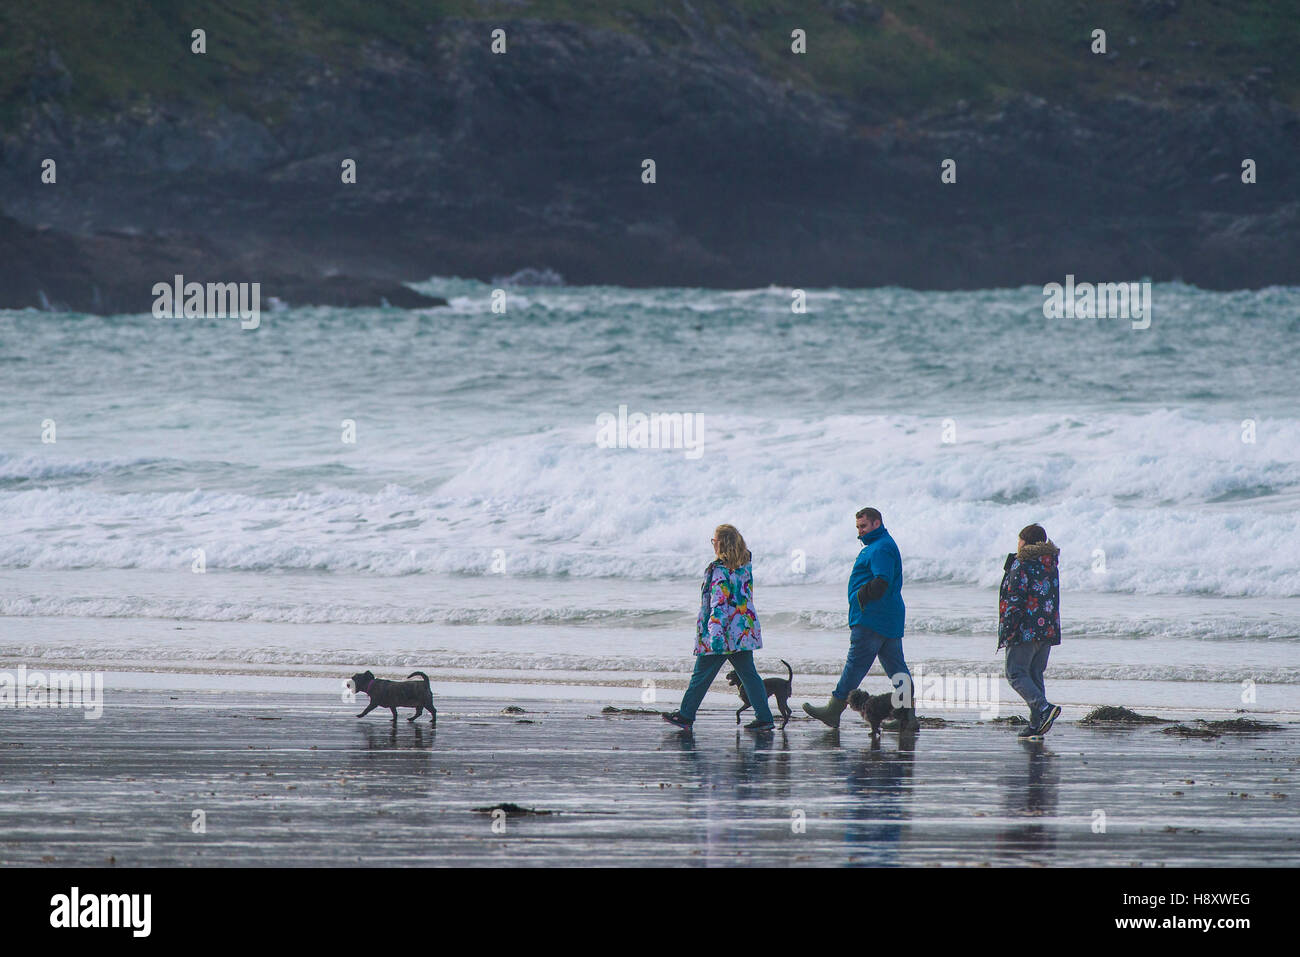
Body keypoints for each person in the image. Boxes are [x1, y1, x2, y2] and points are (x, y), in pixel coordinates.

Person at [803, 507, 918, 730]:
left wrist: (861, 596)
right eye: (857, 527)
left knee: (855, 665)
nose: (860, 532)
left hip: (872, 618)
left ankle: (833, 710)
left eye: (863, 526)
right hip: (888, 617)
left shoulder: (880, 547)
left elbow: (881, 580)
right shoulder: (881, 544)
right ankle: (908, 718)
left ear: (877, 523)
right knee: (897, 668)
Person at [663, 524, 775, 732]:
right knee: (749, 675)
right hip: (742, 631)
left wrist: (714, 633)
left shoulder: (720, 571)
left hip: (722, 633)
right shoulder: (745, 566)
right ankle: (765, 718)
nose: (712, 544)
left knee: (701, 675)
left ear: (721, 543)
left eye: (714, 541)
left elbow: (719, 603)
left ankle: (686, 715)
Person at [999, 523, 1062, 738]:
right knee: (1035, 673)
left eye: (1019, 540)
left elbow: (1015, 600)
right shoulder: (1049, 563)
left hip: (1025, 629)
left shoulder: (1022, 564)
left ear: (1025, 542)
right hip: (1048, 629)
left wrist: (1008, 630)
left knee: (1015, 673)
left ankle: (1043, 709)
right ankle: (1037, 725)